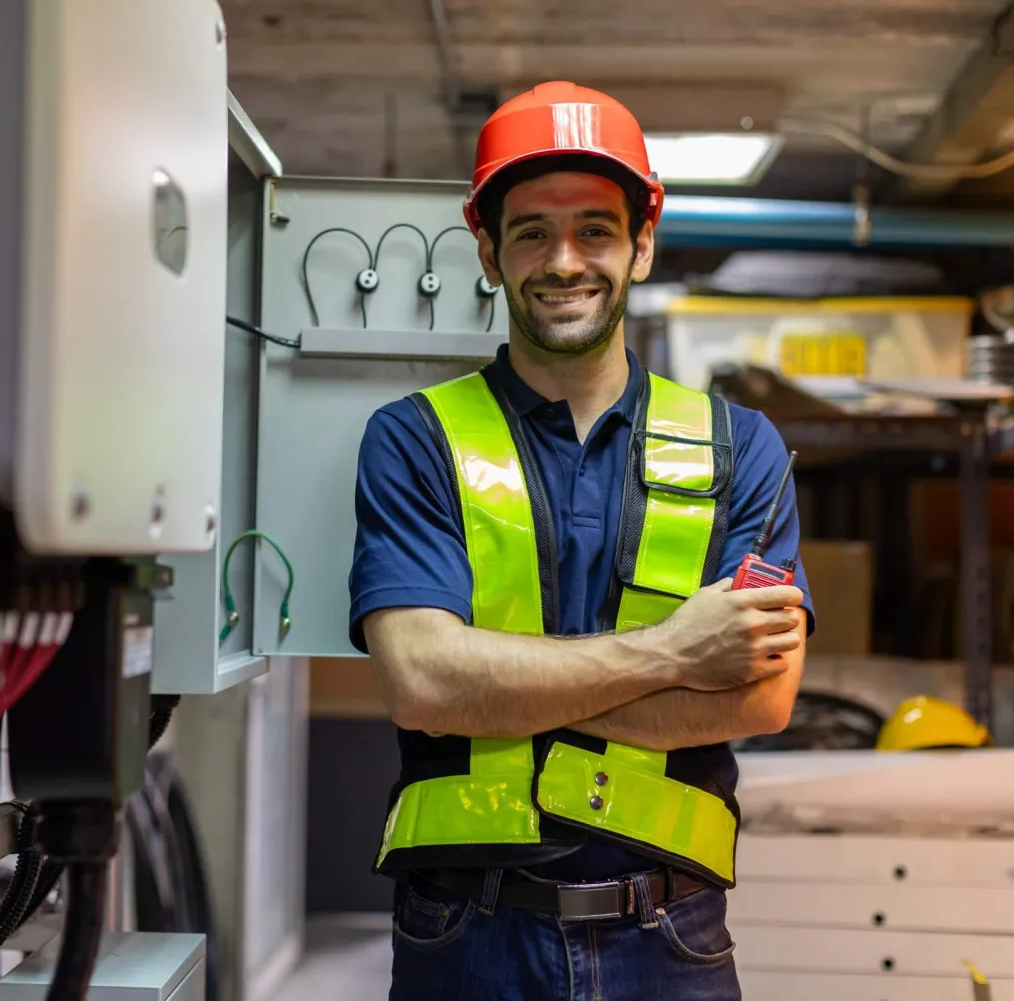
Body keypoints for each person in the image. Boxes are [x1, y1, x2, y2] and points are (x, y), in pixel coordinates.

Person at [348, 80, 814, 1001]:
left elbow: (760, 699)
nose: (565, 260)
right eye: (532, 231)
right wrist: (677, 652)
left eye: (595, 229)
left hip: (671, 939)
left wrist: (500, 687)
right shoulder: (414, 438)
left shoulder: (740, 448)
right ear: (486, 249)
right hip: (464, 937)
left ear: (643, 241)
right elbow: (422, 683)